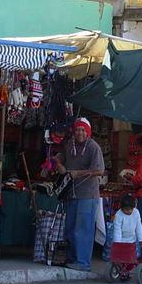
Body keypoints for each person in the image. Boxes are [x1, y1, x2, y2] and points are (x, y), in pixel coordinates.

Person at [57, 117, 105, 272]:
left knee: (83, 230)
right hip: (71, 193)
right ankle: (71, 259)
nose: (80, 133)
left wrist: (78, 173)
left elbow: (99, 170)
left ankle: (83, 263)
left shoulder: (93, 147)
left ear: (88, 132)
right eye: (78, 129)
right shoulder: (69, 145)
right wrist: (58, 165)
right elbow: (59, 158)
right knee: (70, 228)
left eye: (83, 130)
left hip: (87, 195)